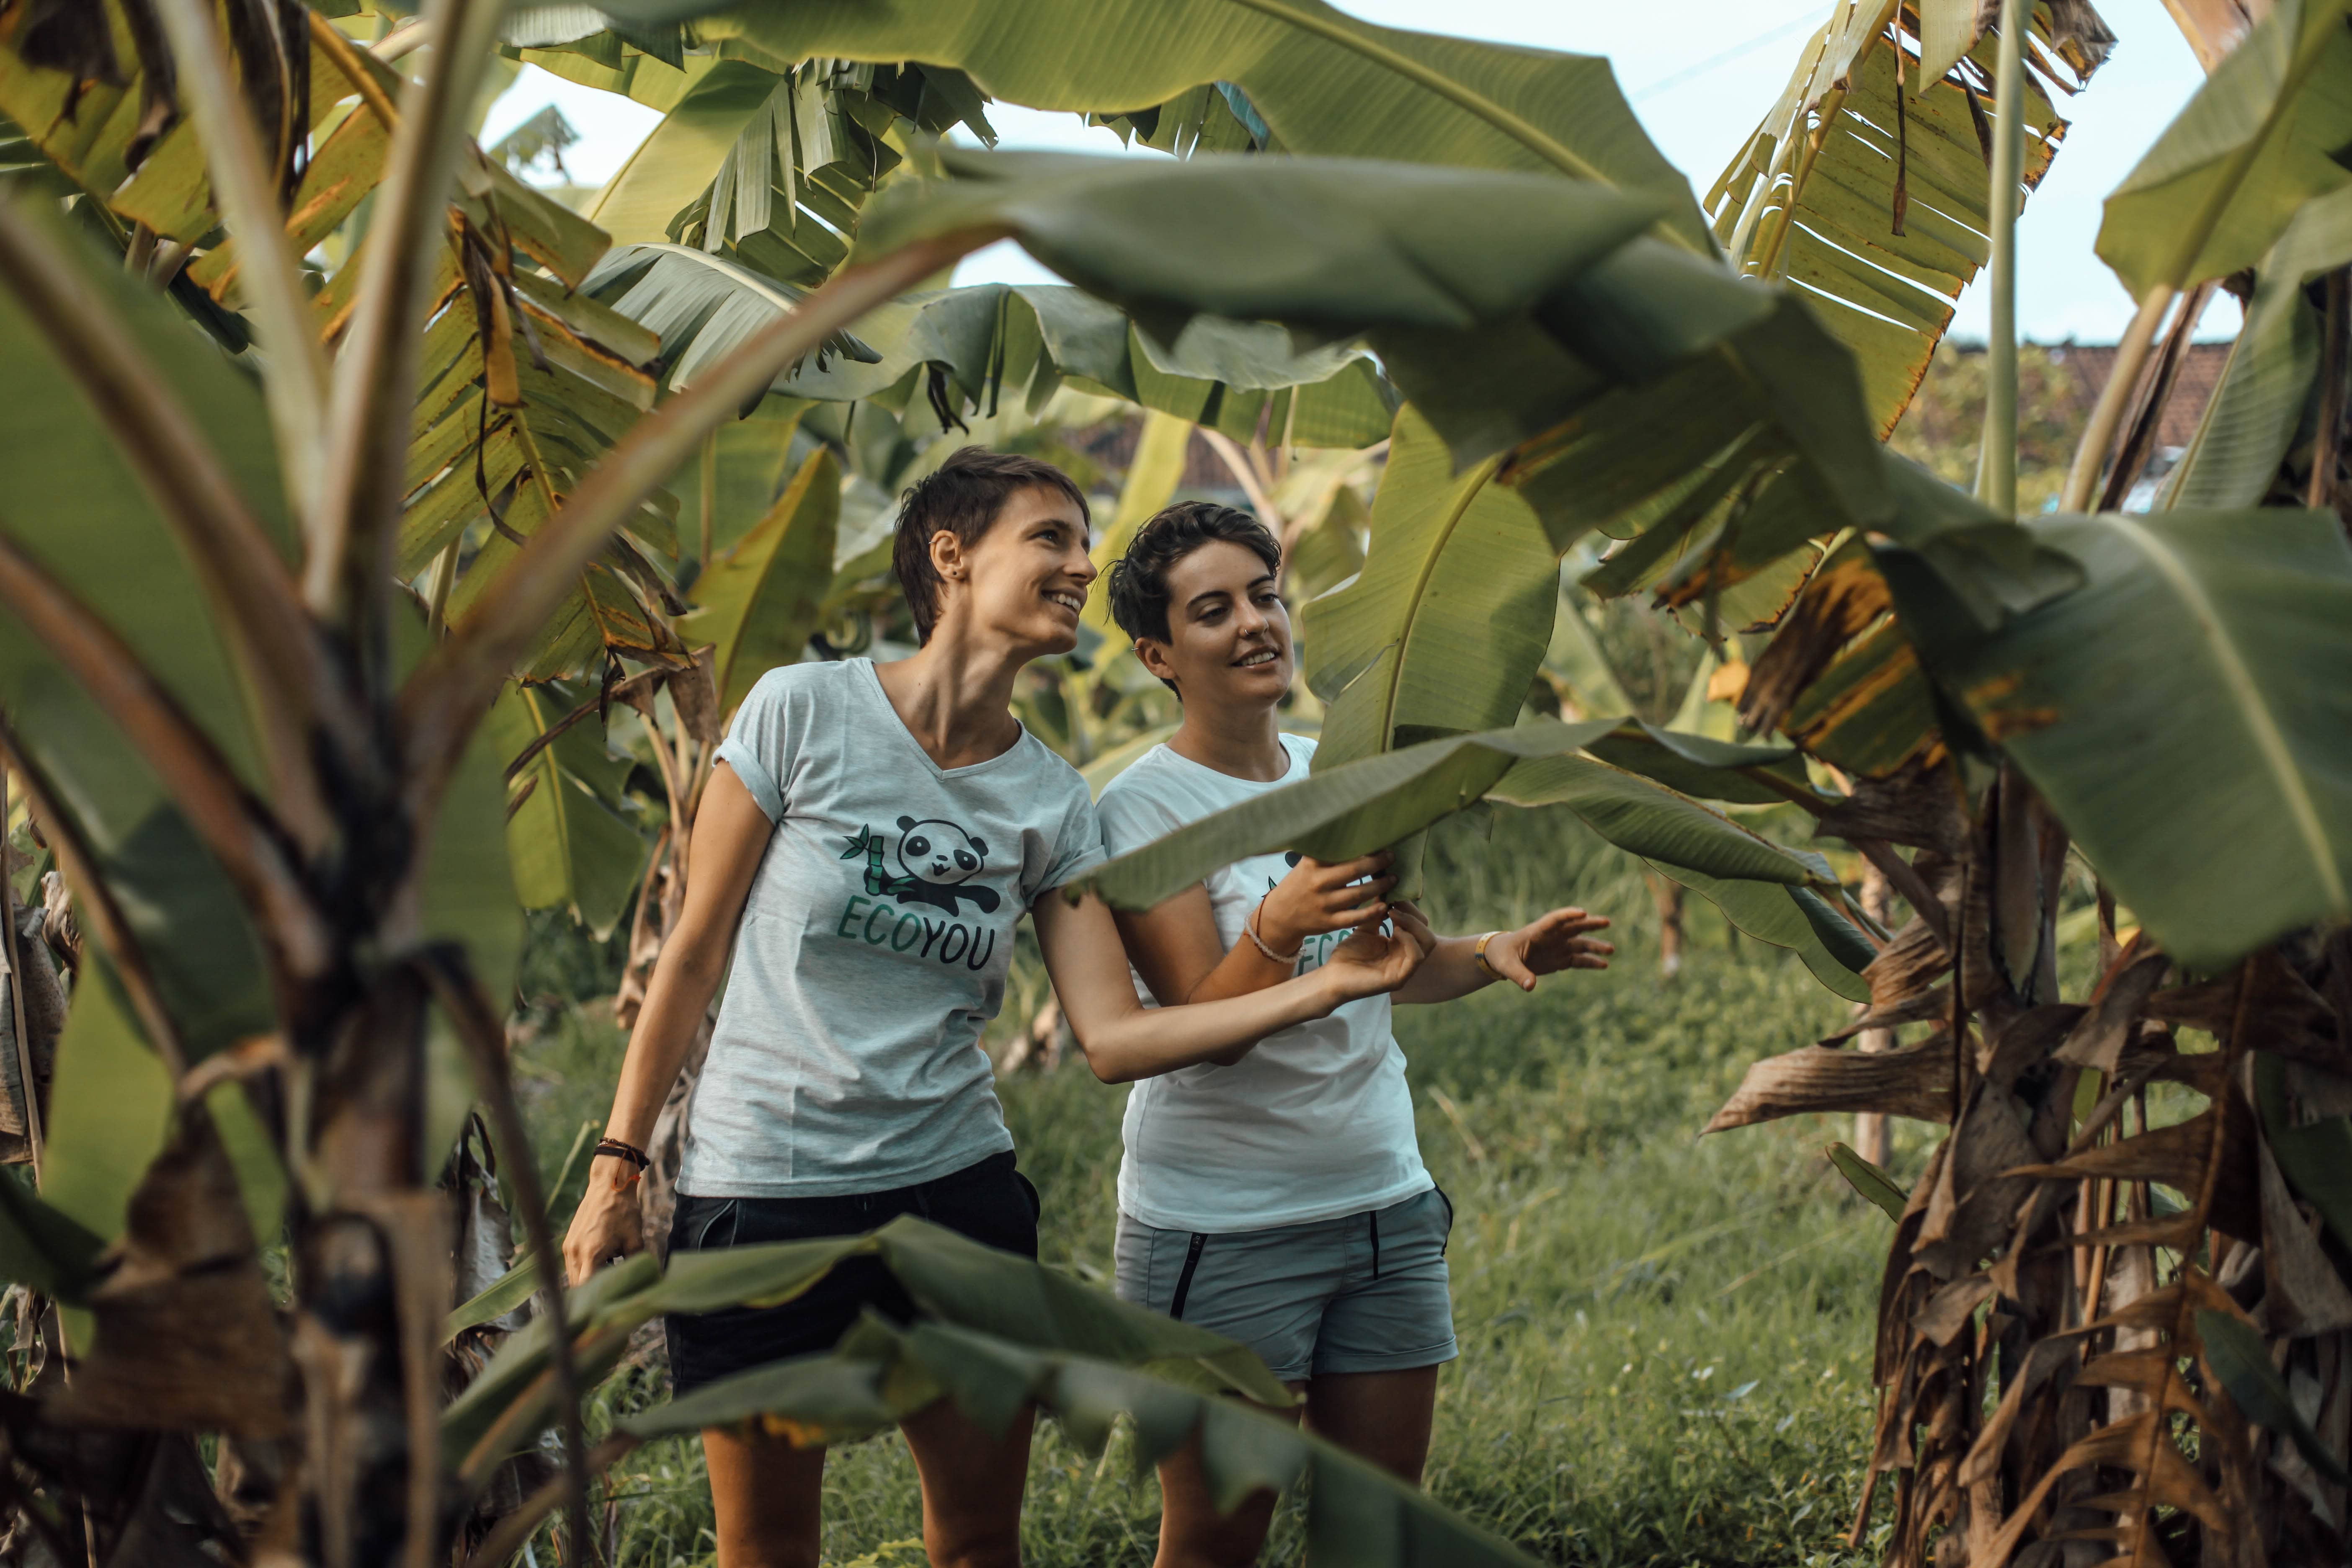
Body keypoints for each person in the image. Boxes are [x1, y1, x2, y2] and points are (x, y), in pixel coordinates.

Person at [561, 452, 1433, 1568]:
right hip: (762, 1197)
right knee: (765, 1550)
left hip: (957, 1199)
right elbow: (690, 957)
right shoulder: (801, 712)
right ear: (952, 555)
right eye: (1053, 539)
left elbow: (1116, 1038)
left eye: (1082, 544)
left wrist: (1323, 977)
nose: (1081, 565)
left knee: (978, 1546)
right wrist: (617, 1172)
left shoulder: (1052, 799)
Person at [1096, 501, 1614, 1568]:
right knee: (1213, 1541)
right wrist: (1279, 930)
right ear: (1159, 653)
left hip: (1381, 1205)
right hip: (1222, 1229)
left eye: (1264, 595)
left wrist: (1493, 950)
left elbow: (1375, 974)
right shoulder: (1143, 810)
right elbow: (1200, 1026)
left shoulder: (1335, 767)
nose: (1255, 623)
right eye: (1213, 609)